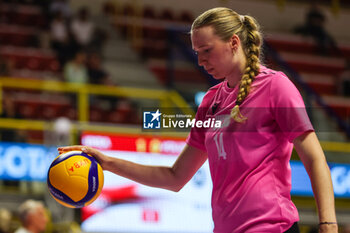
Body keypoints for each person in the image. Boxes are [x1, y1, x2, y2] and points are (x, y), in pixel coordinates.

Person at [58, 7, 338, 233]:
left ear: (234, 42)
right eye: (196, 53)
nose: (201, 60)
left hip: (272, 227)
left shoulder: (276, 87)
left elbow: (314, 158)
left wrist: (328, 224)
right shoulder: (210, 102)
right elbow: (174, 177)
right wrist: (106, 162)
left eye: (207, 50)